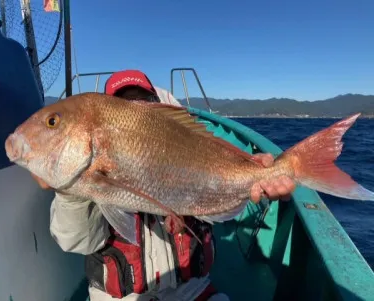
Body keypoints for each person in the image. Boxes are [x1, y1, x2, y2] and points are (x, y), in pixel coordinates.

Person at [36, 69, 295, 301]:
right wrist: (69, 193)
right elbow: (77, 242)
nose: (134, 112)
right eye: (122, 105)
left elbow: (217, 211)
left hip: (191, 291)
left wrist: (254, 169)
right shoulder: (85, 170)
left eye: (144, 103)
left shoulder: (181, 143)